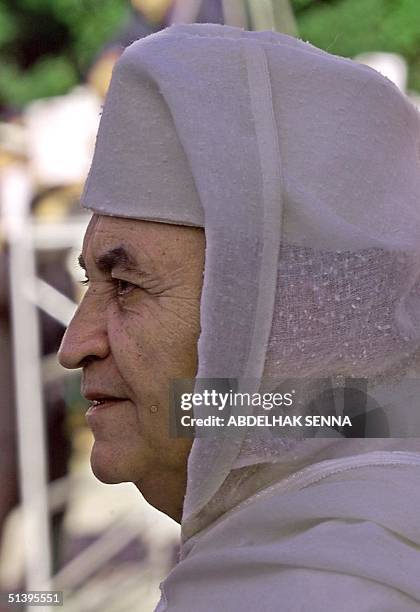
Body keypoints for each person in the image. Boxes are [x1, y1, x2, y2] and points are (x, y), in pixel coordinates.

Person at [58, 23, 420, 611]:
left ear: (289, 317)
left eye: (125, 284)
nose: (74, 345)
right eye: (87, 281)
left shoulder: (304, 592)